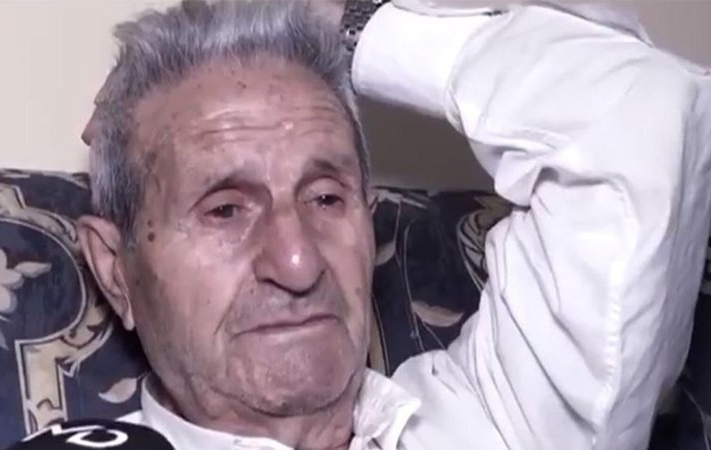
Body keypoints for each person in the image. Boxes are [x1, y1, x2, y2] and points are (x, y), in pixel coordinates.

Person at [76, 0, 711, 449]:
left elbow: (642, 108)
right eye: (225, 210)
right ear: (115, 271)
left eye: (326, 198)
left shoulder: (498, 423)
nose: (297, 262)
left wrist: (341, 21)